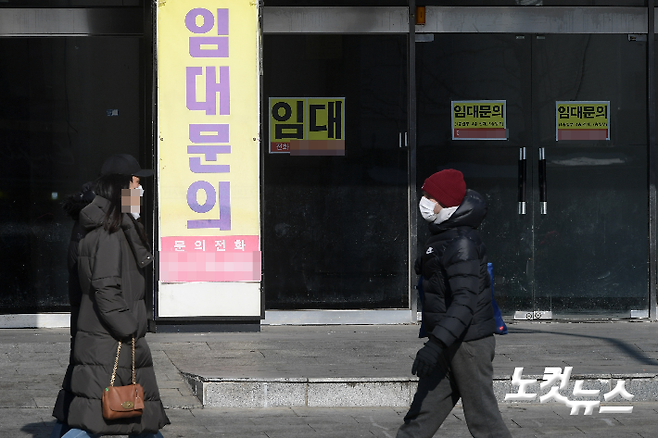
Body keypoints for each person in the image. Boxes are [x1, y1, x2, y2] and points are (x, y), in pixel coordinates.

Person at [53, 154, 169, 438]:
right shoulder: (109, 232)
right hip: (112, 340)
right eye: (136, 182)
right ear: (121, 187)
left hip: (107, 339)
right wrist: (129, 327)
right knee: (95, 419)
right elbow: (105, 289)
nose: (141, 190)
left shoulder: (116, 226)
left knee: (130, 416)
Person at [396, 169, 511, 438]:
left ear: (445, 202)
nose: (424, 201)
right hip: (447, 340)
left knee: (484, 421)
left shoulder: (461, 243)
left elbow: (463, 302)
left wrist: (435, 345)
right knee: (420, 416)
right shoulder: (443, 235)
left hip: (468, 344)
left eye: (429, 196)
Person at [51, 182, 96, 438]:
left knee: (75, 389)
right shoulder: (89, 232)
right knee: (84, 396)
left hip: (84, 324)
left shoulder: (82, 227)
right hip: (90, 326)